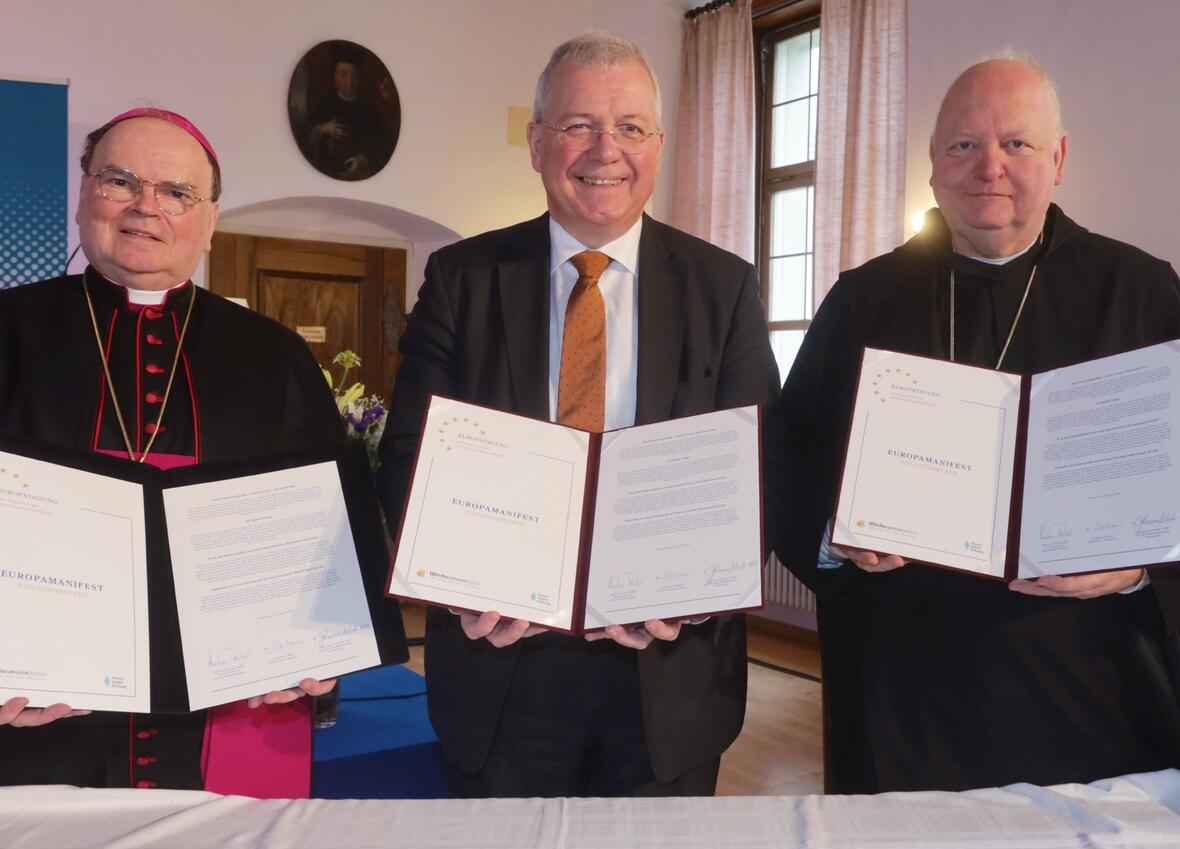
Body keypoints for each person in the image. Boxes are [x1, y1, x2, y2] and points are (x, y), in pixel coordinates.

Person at [377, 32, 779, 798]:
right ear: (536, 143)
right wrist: (458, 584)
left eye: (630, 127)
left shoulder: (723, 288)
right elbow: (408, 453)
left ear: (658, 145)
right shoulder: (462, 279)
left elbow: (757, 471)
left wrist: (693, 595)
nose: (607, 149)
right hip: (502, 668)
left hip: (668, 678)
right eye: (577, 125)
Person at [775, 57, 1180, 794]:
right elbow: (785, 466)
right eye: (962, 146)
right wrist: (837, 536)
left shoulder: (1145, 292)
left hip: (1094, 694)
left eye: (1016, 145)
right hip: (905, 699)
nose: (988, 167)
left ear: (1058, 159)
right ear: (932, 164)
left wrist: (1145, 563)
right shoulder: (862, 301)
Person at [0, 107, 403, 795]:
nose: (145, 207)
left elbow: (328, 537)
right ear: (83, 195)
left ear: (210, 219)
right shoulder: (10, 329)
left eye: (176, 192)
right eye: (120, 181)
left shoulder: (273, 355)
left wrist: (326, 654)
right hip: (37, 731)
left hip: (232, 721)